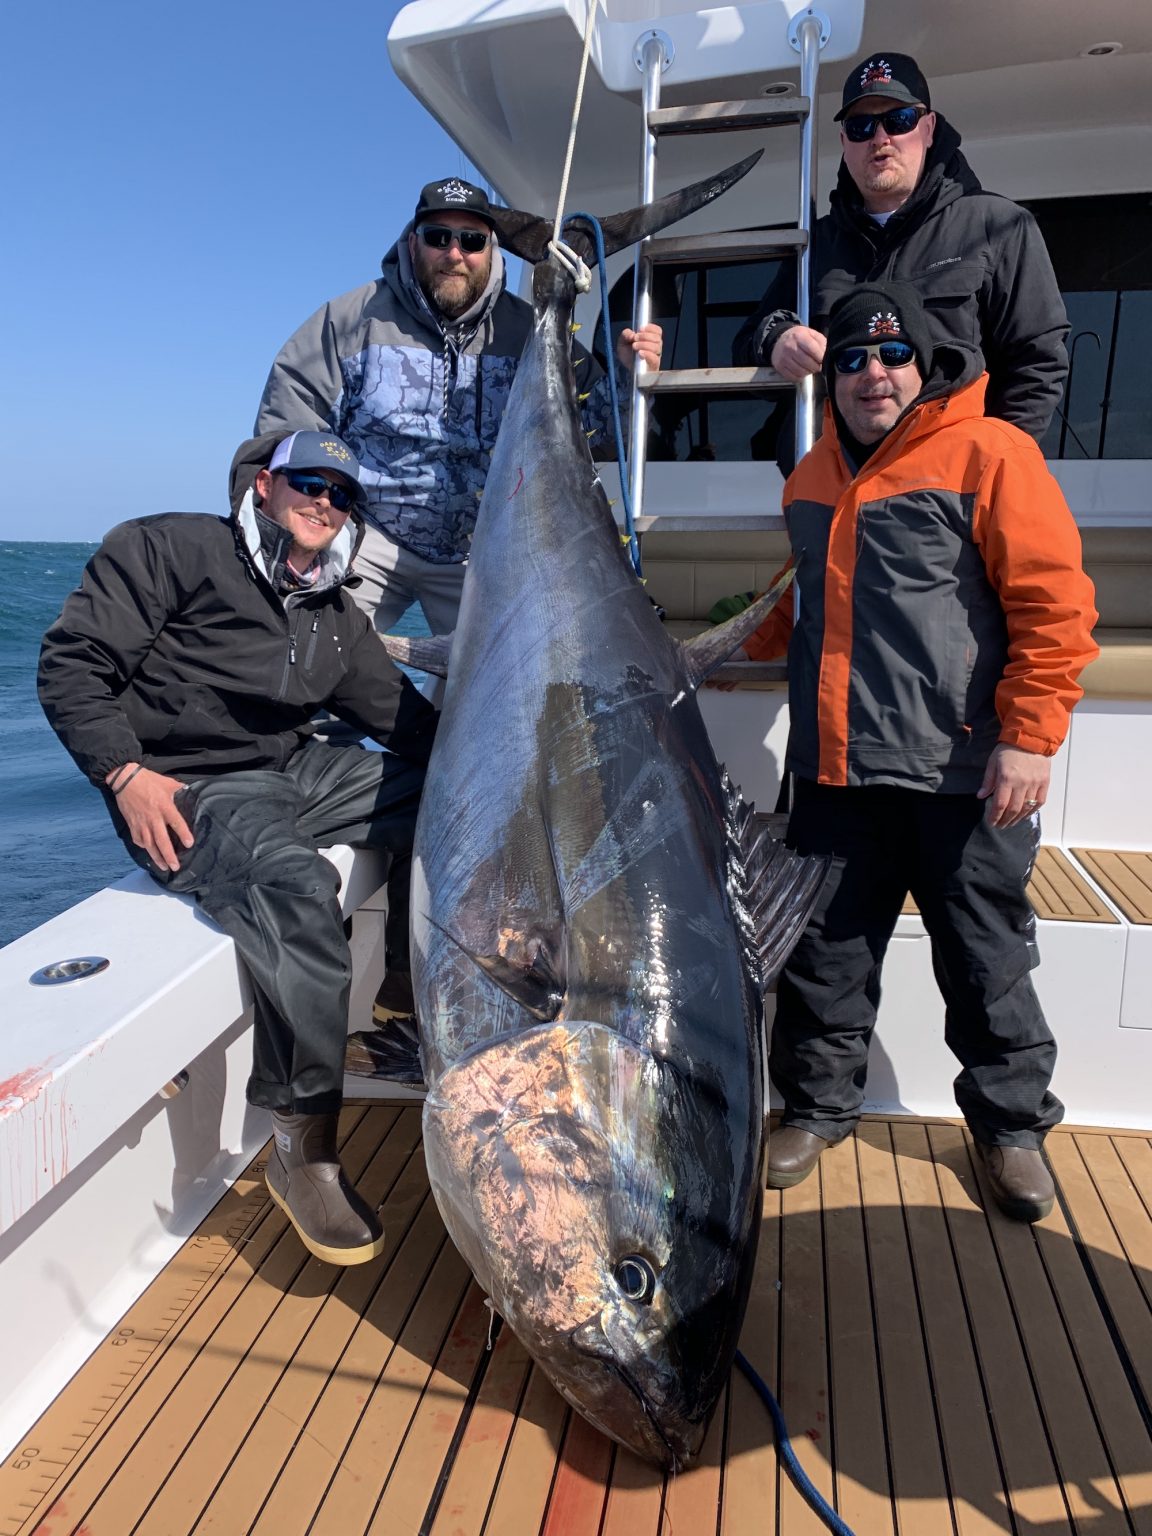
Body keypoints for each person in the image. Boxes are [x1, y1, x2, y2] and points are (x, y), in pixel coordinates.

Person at [738, 281, 1098, 1223]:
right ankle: (817, 1108)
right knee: (825, 956)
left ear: (923, 367)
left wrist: (1029, 737)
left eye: (892, 356)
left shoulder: (991, 453)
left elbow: (1054, 609)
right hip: (833, 767)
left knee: (985, 960)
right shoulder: (810, 476)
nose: (873, 375)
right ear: (833, 376)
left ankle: (1011, 1128)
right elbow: (800, 602)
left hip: (964, 771)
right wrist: (725, 643)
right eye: (852, 357)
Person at [38, 430, 439, 1267]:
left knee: (445, 791)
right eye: (309, 482)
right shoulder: (171, 548)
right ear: (265, 486)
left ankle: (411, 989)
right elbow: (72, 662)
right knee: (298, 891)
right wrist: (122, 774)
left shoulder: (333, 614)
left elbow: (407, 724)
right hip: (184, 788)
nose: (325, 501)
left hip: (292, 771)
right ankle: (305, 1147)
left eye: (341, 493)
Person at [255, 176, 663, 646]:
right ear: (413, 243)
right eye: (438, 237)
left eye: (471, 240)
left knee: (505, 685)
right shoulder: (348, 321)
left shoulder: (530, 333)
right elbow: (289, 426)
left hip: (485, 550)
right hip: (370, 539)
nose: (455, 253)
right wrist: (295, 531)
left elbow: (605, 438)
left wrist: (630, 374)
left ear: (492, 251)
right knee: (302, 649)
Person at [734, 52, 1068, 469]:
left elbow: (1038, 363)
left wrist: (994, 471)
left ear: (928, 128)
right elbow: (747, 345)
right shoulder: (814, 243)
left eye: (898, 120)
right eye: (860, 126)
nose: (879, 138)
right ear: (844, 142)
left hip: (945, 500)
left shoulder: (998, 225)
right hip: (833, 495)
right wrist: (778, 340)